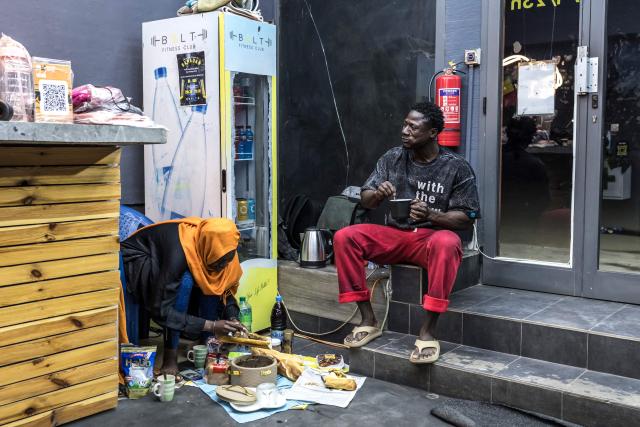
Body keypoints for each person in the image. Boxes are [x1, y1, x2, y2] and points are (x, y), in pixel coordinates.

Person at [334, 102, 480, 364]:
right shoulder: (392, 157)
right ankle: (368, 319)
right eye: (404, 124)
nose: (405, 131)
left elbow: (467, 217)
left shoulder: (456, 166)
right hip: (397, 236)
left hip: (431, 240)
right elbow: (365, 198)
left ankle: (428, 331)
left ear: (433, 132)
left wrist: (432, 215)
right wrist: (378, 194)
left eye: (413, 127)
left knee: (448, 242)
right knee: (346, 237)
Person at [121, 217, 246, 377]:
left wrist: (233, 317)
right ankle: (170, 354)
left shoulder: (224, 252)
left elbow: (223, 288)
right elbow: (161, 310)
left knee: (212, 279)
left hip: (172, 267)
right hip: (140, 259)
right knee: (186, 281)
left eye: (226, 262)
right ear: (208, 248)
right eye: (219, 262)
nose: (223, 267)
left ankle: (207, 345)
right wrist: (211, 325)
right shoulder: (179, 252)